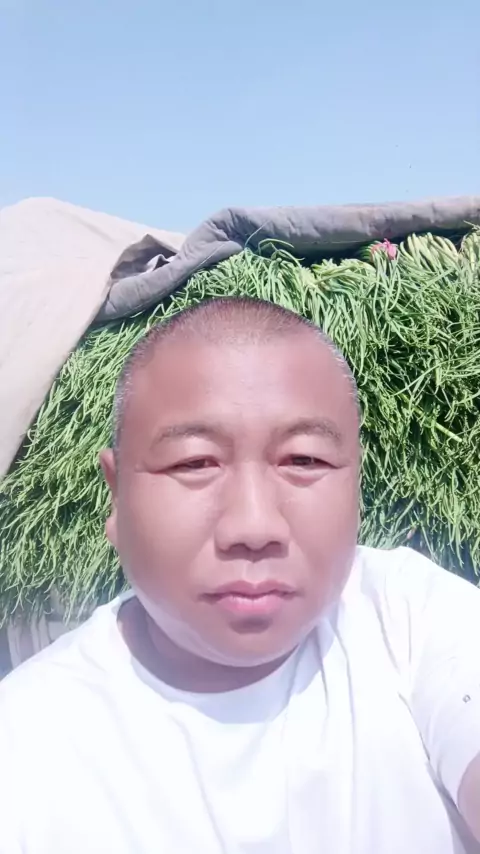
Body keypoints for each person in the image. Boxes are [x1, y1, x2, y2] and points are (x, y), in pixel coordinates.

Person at [1, 296, 480, 854]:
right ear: (117, 495)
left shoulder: (411, 622)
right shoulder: (24, 746)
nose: (254, 525)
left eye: (304, 460)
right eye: (193, 463)